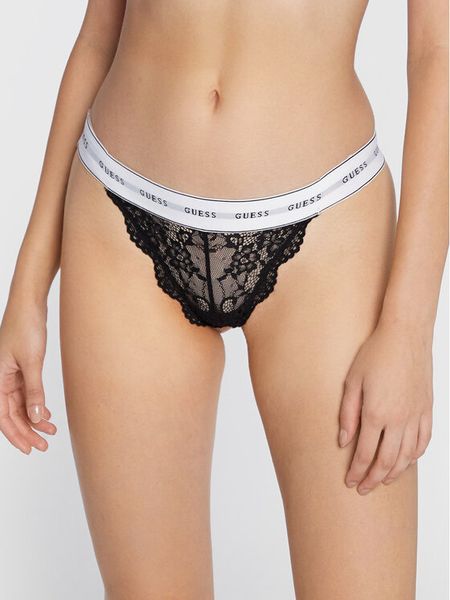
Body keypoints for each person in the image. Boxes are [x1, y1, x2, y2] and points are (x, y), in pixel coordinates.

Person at [0, 1, 448, 598]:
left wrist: (410, 328)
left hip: (329, 235)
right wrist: (28, 286)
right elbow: (99, 33)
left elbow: (438, 53)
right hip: (119, 216)